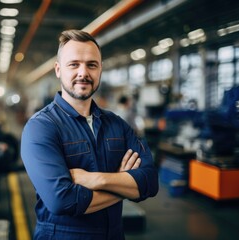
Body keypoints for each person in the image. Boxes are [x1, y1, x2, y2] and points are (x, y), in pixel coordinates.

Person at [21, 29, 158, 240]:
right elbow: (62, 200)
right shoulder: (41, 127)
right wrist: (123, 183)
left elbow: (149, 182)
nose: (83, 73)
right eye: (74, 64)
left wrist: (95, 179)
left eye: (91, 65)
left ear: (100, 69)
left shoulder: (117, 125)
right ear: (58, 70)